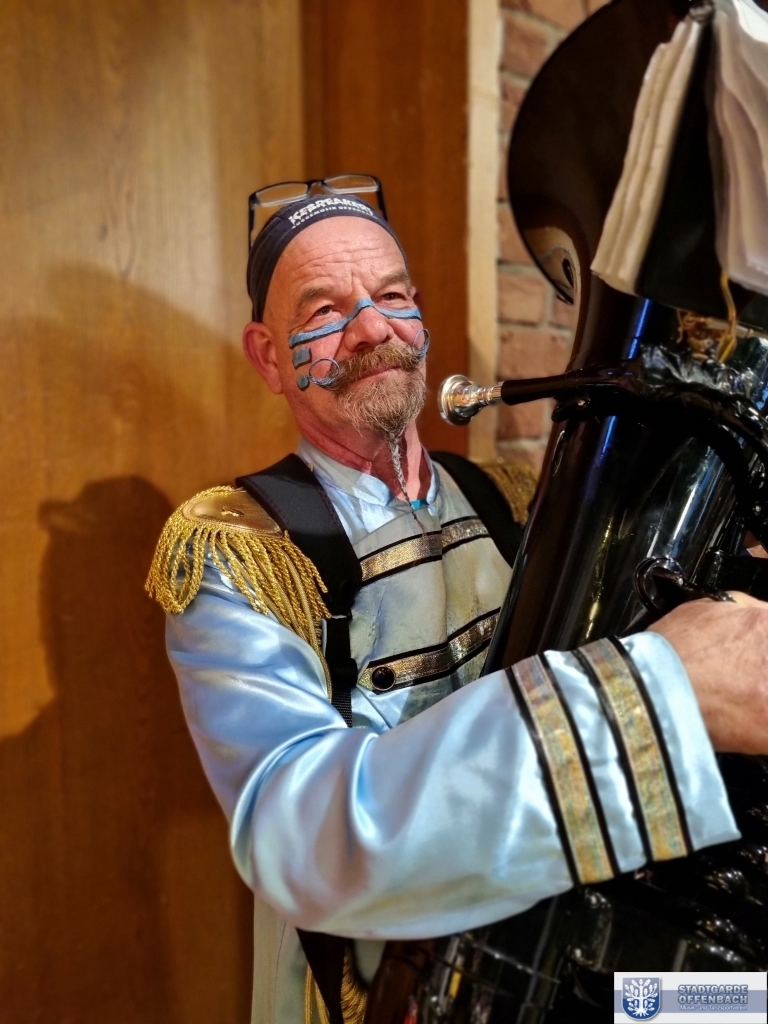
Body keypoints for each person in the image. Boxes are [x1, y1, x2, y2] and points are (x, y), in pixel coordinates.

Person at [146, 186, 768, 1024]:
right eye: (325, 310)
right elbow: (296, 835)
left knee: (740, 1006)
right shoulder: (239, 547)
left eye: (392, 295)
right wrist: (653, 695)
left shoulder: (516, 500)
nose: (373, 330)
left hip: (573, 968)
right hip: (393, 993)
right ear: (267, 356)